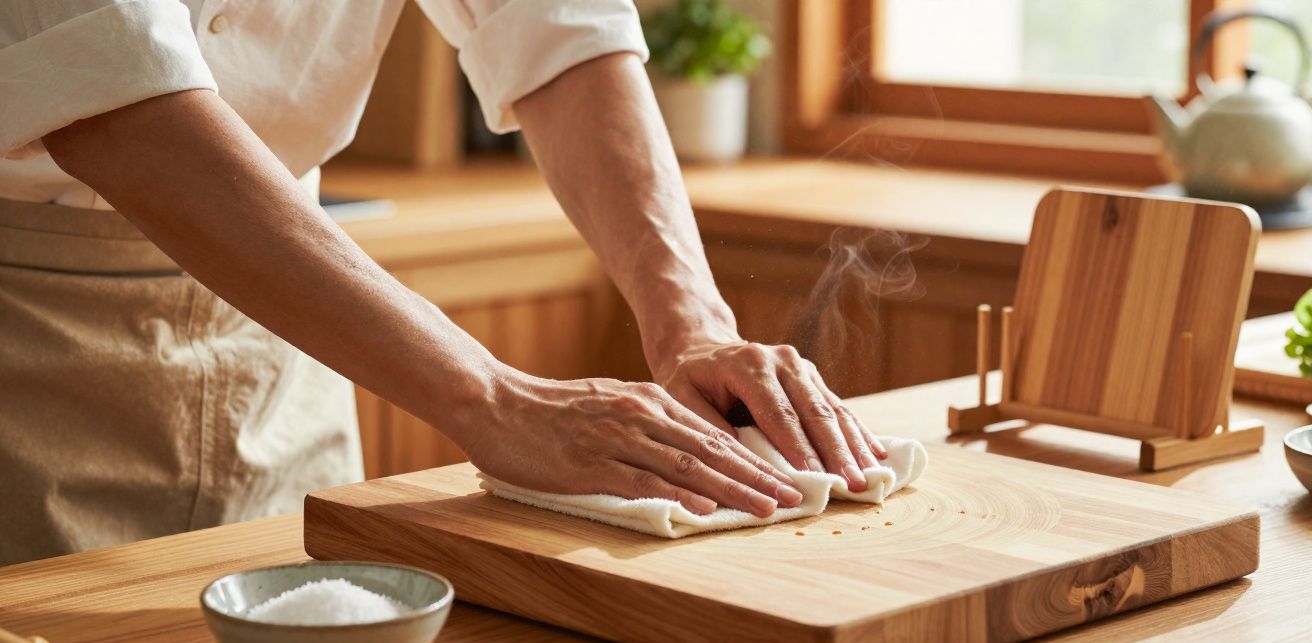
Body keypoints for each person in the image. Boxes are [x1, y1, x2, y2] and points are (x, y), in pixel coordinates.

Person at [0, 0, 886, 565]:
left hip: (290, 331)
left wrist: (693, 323)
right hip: (30, 334)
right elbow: (115, 95)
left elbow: (559, 28)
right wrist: (494, 399)